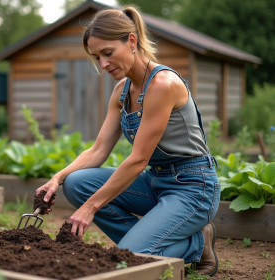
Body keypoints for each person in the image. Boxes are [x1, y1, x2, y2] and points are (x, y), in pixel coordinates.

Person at [36, 5, 220, 277]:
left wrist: (90, 208)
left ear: (131, 41)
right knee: (77, 183)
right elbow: (98, 150)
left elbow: (138, 160)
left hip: (192, 188)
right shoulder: (122, 91)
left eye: (108, 53)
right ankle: (150, 241)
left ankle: (196, 244)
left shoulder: (162, 85)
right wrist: (58, 178)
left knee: (129, 259)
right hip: (156, 182)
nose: (103, 64)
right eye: (97, 57)